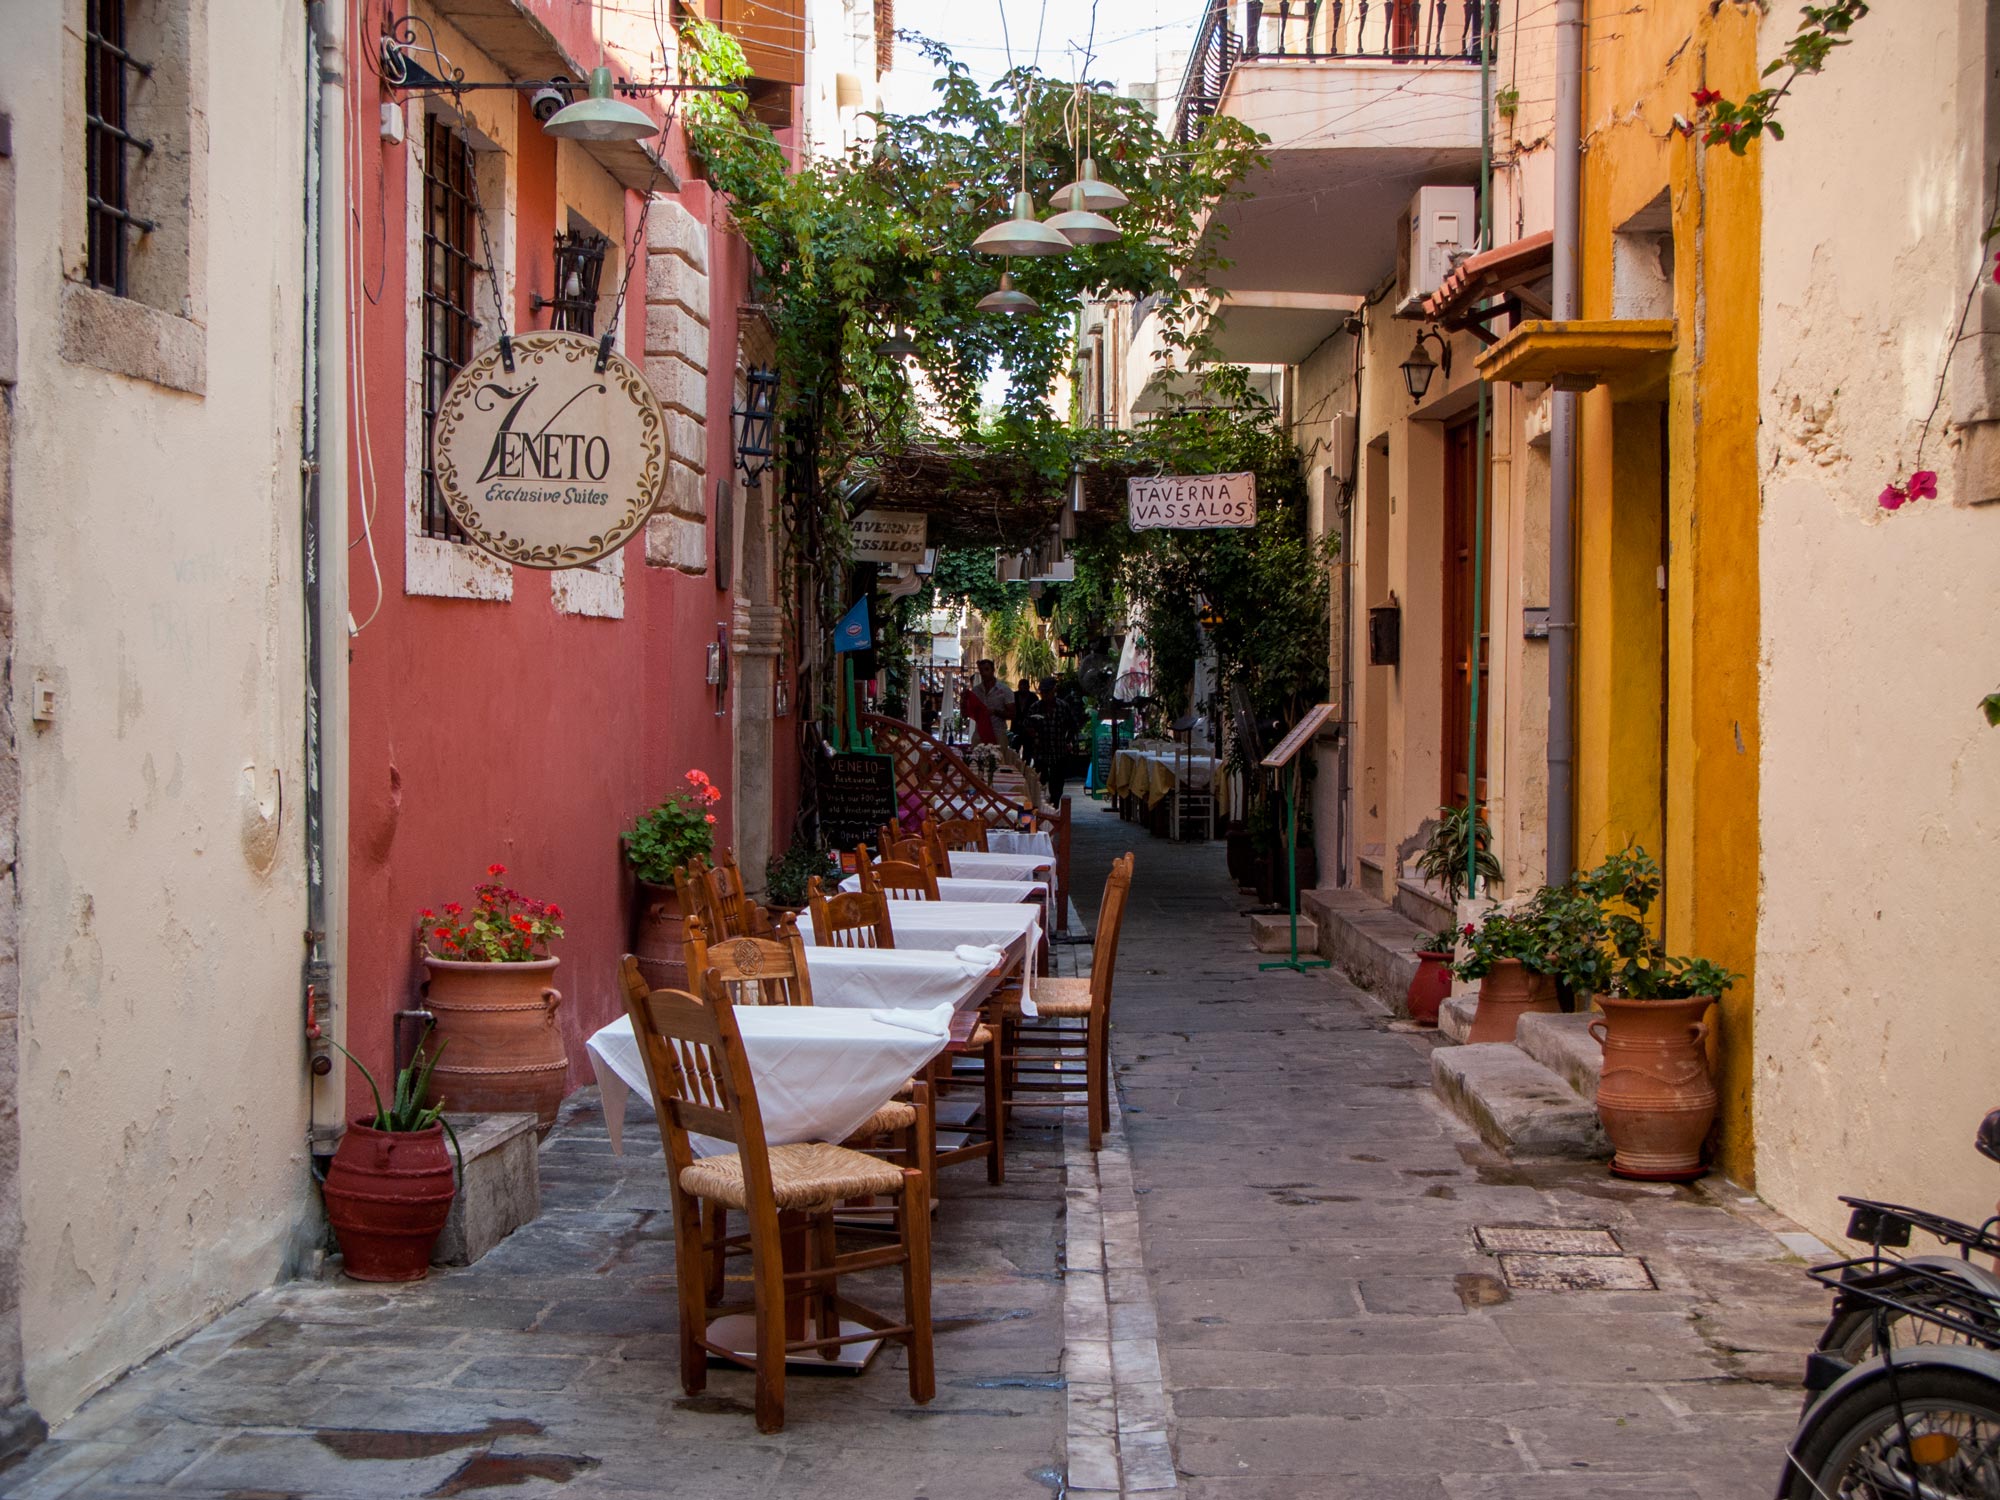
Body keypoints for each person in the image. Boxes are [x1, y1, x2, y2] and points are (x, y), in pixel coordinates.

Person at [1022, 676, 1080, 806]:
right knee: (1039, 783)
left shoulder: (1062, 707)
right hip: (1041, 752)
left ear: (1054, 691)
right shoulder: (1036, 707)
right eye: (1043, 692)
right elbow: (1026, 725)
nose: (1045, 695)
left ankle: (1054, 806)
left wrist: (1068, 741)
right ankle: (1040, 807)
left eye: (1048, 692)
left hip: (1059, 751)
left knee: (1057, 784)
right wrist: (1032, 733)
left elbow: (1073, 726)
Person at [966, 659, 1015, 745]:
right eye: (981, 670)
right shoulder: (976, 691)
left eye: (987, 669)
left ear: (993, 671)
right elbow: (969, 713)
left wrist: (995, 712)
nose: (984, 673)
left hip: (998, 733)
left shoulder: (1004, 690)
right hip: (980, 733)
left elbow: (1013, 714)